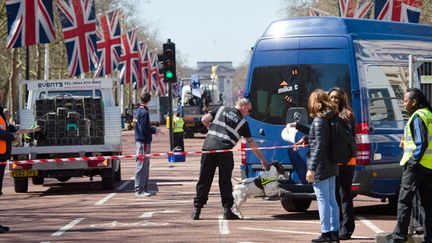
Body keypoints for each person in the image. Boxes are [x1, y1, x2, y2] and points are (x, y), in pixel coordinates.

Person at [191, 98, 269, 220]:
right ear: (243, 107)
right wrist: (262, 159)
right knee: (225, 181)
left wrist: (210, 129)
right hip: (225, 151)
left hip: (208, 148)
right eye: (249, 110)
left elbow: (204, 119)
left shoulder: (221, 109)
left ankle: (197, 209)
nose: (249, 113)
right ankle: (227, 210)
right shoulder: (243, 123)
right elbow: (251, 143)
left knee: (204, 179)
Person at [390, 88, 432, 243]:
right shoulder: (429, 114)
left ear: (414, 102)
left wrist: (414, 162)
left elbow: (422, 142)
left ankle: (398, 237)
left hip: (416, 166)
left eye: (406, 100)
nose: (403, 103)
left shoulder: (417, 117)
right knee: (427, 204)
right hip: (429, 166)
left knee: (404, 202)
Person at [304, 89, 340, 242]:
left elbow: (319, 145)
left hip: (321, 165)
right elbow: (320, 138)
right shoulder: (330, 117)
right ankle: (334, 232)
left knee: (323, 199)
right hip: (331, 163)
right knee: (331, 199)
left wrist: (311, 168)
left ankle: (325, 233)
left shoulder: (319, 120)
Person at [328, 88, 356, 240]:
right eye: (331, 97)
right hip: (334, 162)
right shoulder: (330, 116)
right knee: (336, 196)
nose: (333, 100)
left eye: (336, 98)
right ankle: (339, 226)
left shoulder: (346, 116)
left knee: (345, 195)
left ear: (341, 100)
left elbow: (347, 139)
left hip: (346, 162)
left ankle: (347, 228)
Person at [134, 92, 159, 197]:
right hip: (143, 142)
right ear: (149, 100)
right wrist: (154, 130)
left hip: (141, 141)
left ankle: (143, 188)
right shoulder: (144, 112)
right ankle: (139, 190)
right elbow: (144, 129)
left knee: (145, 165)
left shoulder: (138, 111)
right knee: (142, 165)